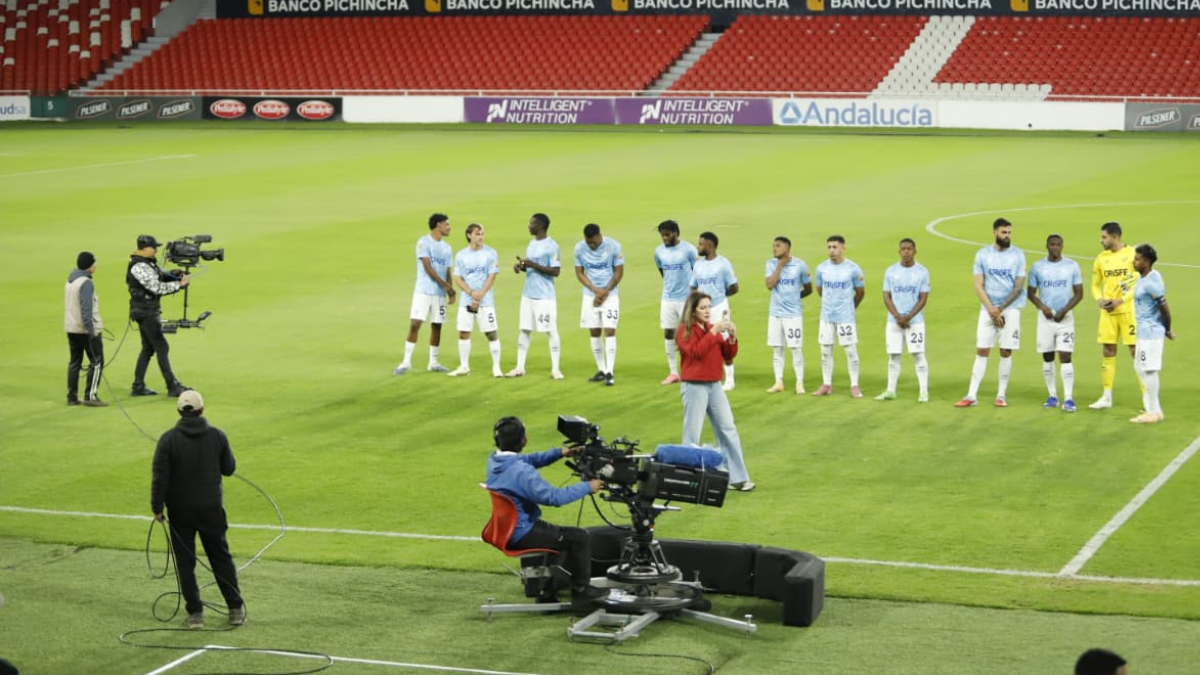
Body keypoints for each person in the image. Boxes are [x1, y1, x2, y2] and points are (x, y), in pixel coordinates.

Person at [485, 416, 606, 604]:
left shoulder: (495, 461)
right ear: (524, 440)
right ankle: (581, 590)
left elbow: (526, 459)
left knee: (558, 536)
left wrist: (560, 453)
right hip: (523, 532)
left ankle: (546, 592)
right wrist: (587, 486)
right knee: (578, 537)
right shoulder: (522, 472)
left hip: (509, 528)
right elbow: (553, 497)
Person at [150, 390, 245, 629]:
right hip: (211, 509)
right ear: (202, 409)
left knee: (185, 562)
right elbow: (229, 469)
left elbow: (159, 477)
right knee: (220, 558)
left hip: (180, 512)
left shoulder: (168, 439)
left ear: (179, 411)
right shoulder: (217, 436)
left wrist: (157, 508)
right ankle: (235, 608)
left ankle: (195, 614)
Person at [677, 291, 754, 492]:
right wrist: (714, 332)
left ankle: (737, 478)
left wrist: (732, 338)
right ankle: (687, 480)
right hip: (694, 386)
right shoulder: (684, 331)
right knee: (692, 434)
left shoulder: (712, 329)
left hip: (714, 385)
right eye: (702, 307)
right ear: (692, 311)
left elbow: (728, 356)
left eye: (709, 307)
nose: (707, 311)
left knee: (728, 428)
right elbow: (696, 352)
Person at [955, 218, 1026, 408]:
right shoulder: (982, 255)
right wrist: (991, 310)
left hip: (1010, 309)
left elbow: (1019, 287)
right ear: (994, 232)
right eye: (1004, 232)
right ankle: (971, 395)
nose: (1007, 236)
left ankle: (1001, 395)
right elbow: (977, 284)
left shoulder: (1018, 255)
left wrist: (1000, 309)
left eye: (1009, 232)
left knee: (1005, 351)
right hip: (988, 309)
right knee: (982, 350)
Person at [1027, 234, 1084, 412]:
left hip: (1065, 319)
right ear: (1047, 246)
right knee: (1047, 356)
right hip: (1045, 319)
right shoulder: (1037, 267)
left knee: (1065, 355)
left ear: (1062, 246)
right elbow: (1030, 293)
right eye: (1052, 244)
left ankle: (1068, 398)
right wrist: (1043, 307)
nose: (1055, 247)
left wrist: (1064, 310)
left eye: (1058, 245)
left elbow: (1079, 293)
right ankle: (1052, 395)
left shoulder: (1072, 266)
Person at [128, 235, 190, 397]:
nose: (156, 250)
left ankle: (138, 386)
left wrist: (174, 274)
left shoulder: (145, 262)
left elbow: (158, 276)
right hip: (146, 311)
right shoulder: (138, 266)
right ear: (145, 248)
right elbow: (156, 287)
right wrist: (179, 284)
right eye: (154, 247)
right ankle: (172, 386)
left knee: (148, 349)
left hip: (144, 309)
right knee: (162, 347)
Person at [395, 213, 456, 375]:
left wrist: (450, 290)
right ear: (438, 225)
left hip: (439, 294)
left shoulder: (447, 248)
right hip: (423, 291)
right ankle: (406, 362)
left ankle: (433, 362)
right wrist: (446, 286)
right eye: (447, 224)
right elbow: (428, 268)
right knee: (415, 324)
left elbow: (447, 270)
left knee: (437, 326)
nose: (449, 227)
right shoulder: (423, 243)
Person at [1089, 222, 1139, 410]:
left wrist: (1121, 300)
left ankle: (1147, 399)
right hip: (1108, 313)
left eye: (1104, 237)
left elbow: (1139, 283)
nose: (1101, 240)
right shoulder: (1101, 258)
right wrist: (1099, 300)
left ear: (1115, 237)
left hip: (1128, 312)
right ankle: (1106, 396)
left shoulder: (1133, 254)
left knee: (1136, 352)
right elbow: (1095, 284)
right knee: (1108, 351)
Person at [508, 213, 564, 379]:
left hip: (544, 297)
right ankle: (519, 367)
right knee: (524, 330)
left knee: (551, 331)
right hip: (528, 294)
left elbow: (556, 271)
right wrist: (522, 267)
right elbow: (532, 268)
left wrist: (532, 264)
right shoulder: (531, 244)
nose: (528, 226)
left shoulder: (552, 246)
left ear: (540, 226)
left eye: (531, 223)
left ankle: (555, 369)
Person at [877, 238, 930, 402]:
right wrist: (897, 316)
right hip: (894, 321)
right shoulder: (891, 271)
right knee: (893, 356)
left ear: (915, 251)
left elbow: (923, 298)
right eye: (903, 249)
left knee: (918, 354)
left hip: (915, 322)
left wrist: (908, 316)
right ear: (899, 252)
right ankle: (890, 390)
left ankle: (923, 392)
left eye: (909, 249)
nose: (906, 252)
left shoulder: (922, 272)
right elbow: (886, 296)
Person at [813, 235, 866, 398]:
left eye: (835, 247)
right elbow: (821, 290)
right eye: (829, 247)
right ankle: (826, 384)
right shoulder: (821, 268)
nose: (831, 251)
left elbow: (860, 292)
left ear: (843, 248)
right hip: (827, 317)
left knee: (850, 350)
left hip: (845, 317)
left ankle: (855, 385)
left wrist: (850, 308)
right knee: (825, 351)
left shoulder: (853, 269)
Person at [448, 223, 503, 378]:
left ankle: (496, 367)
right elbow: (458, 278)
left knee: (491, 333)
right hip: (467, 301)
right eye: (478, 234)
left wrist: (479, 295)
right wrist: (472, 293)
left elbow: (492, 276)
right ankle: (464, 366)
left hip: (485, 301)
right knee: (464, 332)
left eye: (482, 234)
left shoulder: (490, 253)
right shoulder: (461, 255)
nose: (481, 237)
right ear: (469, 235)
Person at [573, 224, 624, 386]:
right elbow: (579, 273)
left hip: (610, 295)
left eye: (594, 243)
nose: (592, 246)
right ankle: (602, 369)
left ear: (599, 236)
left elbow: (619, 271)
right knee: (594, 331)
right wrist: (595, 290)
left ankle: (610, 371)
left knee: (609, 330)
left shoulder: (614, 246)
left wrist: (604, 292)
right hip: (590, 295)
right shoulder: (579, 248)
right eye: (589, 243)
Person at [689, 232, 739, 391]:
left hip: (718, 307)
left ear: (709, 246)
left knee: (723, 340)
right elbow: (693, 285)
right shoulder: (698, 264)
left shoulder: (723, 264)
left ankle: (730, 379)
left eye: (700, 244)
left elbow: (734, 287)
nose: (698, 246)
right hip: (702, 308)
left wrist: (720, 297)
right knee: (703, 339)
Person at [1130, 244, 1174, 424]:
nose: (1134, 261)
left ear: (1146, 262)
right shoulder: (1150, 276)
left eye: (1137, 259)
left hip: (1150, 332)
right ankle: (1155, 410)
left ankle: (1153, 412)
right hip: (1144, 331)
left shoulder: (1151, 282)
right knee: (1140, 368)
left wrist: (1168, 329)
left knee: (1148, 370)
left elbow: (1164, 308)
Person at [764, 236, 812, 394]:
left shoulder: (800, 265)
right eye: (773, 246)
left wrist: (794, 299)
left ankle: (799, 383)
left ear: (787, 248)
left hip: (793, 315)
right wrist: (780, 266)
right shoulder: (770, 264)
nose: (774, 248)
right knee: (777, 348)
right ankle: (778, 381)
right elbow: (770, 285)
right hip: (775, 314)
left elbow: (808, 288)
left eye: (777, 246)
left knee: (795, 348)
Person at [654, 220, 698, 385]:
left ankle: (692, 369)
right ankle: (673, 372)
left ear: (676, 233)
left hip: (686, 299)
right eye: (662, 235)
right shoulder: (659, 252)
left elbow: (698, 271)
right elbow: (662, 271)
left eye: (668, 234)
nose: (665, 238)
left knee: (690, 334)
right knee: (668, 333)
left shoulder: (688, 250)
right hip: (667, 299)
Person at [65, 251, 107, 407]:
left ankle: (72, 397)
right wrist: (91, 330)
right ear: (89, 265)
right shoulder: (86, 283)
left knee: (75, 362)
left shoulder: (70, 281)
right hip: (85, 329)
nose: (96, 265)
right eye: (94, 263)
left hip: (71, 327)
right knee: (97, 362)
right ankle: (90, 396)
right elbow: (86, 309)